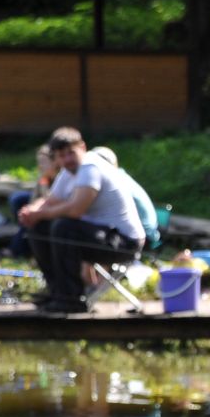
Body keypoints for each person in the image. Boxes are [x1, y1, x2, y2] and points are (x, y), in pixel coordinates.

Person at [16, 127, 145, 314]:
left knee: (65, 227)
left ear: (82, 147)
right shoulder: (68, 172)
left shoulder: (90, 168)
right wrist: (31, 211)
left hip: (125, 242)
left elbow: (75, 210)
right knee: (39, 227)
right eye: (61, 156)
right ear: (56, 158)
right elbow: (50, 201)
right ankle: (57, 292)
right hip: (101, 236)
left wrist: (40, 213)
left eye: (71, 153)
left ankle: (71, 299)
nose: (67, 159)